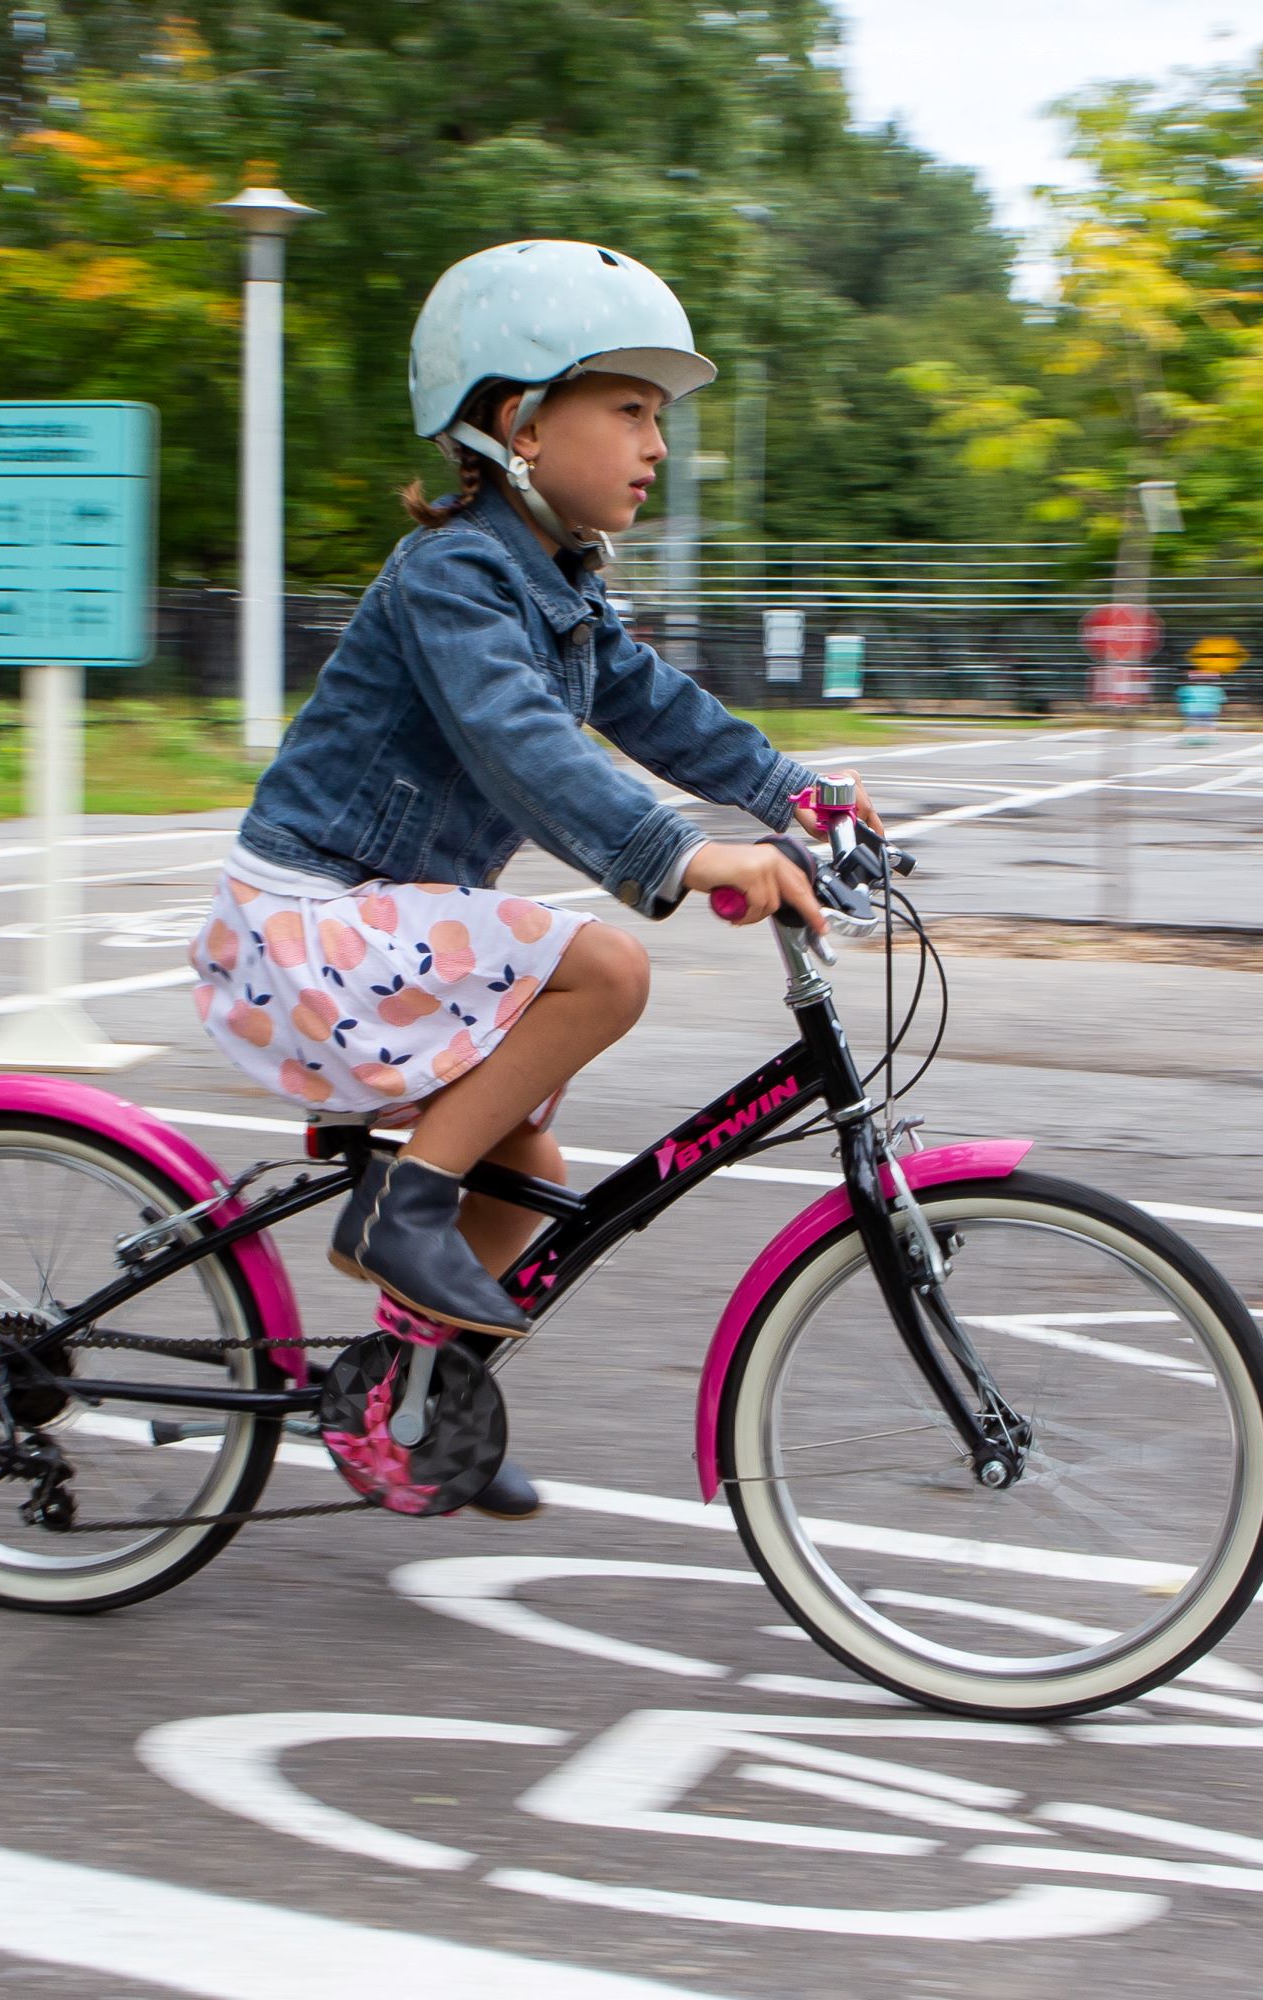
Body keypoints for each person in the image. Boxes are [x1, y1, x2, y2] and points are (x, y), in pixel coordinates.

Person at [188, 238, 875, 1518]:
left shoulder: (559, 583)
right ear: (517, 420)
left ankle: (409, 1404)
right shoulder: (454, 577)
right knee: (606, 962)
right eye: (628, 409)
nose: (655, 446)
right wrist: (682, 851)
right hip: (314, 920)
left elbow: (654, 706)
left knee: (539, 1183)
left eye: (658, 418)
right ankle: (405, 1206)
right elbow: (526, 744)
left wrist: (795, 795)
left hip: (394, 928)